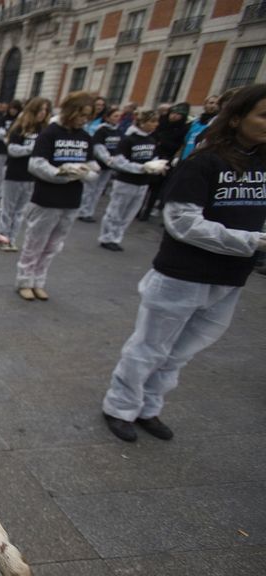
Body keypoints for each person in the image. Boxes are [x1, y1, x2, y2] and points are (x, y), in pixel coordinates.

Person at [102, 84, 266, 442]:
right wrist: (250, 241)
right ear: (237, 118)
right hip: (183, 273)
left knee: (182, 352)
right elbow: (182, 221)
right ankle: (120, 405)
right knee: (150, 346)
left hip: (230, 276)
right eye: (263, 115)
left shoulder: (262, 163)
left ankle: (149, 406)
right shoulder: (205, 161)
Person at [15, 91, 99, 301]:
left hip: (71, 199)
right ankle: (24, 280)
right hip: (46, 197)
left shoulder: (85, 137)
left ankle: (39, 280)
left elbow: (92, 165)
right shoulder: (50, 133)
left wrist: (85, 172)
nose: (84, 119)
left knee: (54, 245)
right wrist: (61, 174)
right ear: (71, 111)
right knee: (35, 242)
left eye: (88, 116)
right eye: (82, 114)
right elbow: (36, 164)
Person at [98, 110, 163, 252]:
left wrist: (156, 166)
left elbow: (154, 158)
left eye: (156, 122)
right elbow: (119, 161)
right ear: (142, 122)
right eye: (152, 121)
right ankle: (107, 237)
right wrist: (141, 168)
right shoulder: (128, 139)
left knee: (129, 213)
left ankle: (117, 237)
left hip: (143, 183)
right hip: (126, 181)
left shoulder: (152, 140)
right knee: (116, 211)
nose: (155, 125)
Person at [0, 97, 51, 252]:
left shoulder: (45, 131)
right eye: (40, 109)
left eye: (46, 110)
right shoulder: (19, 128)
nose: (43, 113)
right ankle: (3, 237)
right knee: (8, 209)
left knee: (21, 211)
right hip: (14, 173)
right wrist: (32, 149)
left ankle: (12, 239)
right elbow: (12, 149)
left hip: (32, 176)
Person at [78, 106, 124, 222]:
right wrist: (108, 159)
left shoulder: (119, 131)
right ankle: (83, 211)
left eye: (119, 116)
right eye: (115, 116)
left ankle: (90, 211)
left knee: (99, 189)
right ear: (107, 118)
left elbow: (120, 148)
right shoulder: (102, 131)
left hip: (109, 166)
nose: (117, 119)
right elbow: (98, 148)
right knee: (90, 188)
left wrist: (116, 161)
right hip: (98, 164)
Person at [180, 94, 219, 160]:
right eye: (211, 103)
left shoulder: (217, 122)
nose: (213, 105)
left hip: (201, 159)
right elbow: (185, 141)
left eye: (217, 103)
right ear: (205, 105)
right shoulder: (194, 122)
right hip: (186, 157)